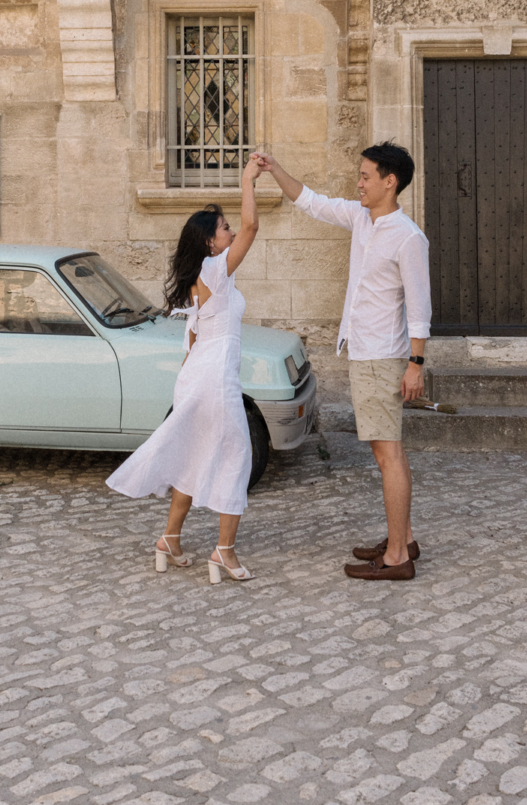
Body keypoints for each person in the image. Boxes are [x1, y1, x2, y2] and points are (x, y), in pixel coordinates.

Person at [254, 142, 431, 581]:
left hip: (383, 357)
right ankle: (402, 537)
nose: (359, 183)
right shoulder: (360, 217)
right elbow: (311, 201)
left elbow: (421, 307)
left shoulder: (408, 237)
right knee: (387, 448)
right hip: (364, 352)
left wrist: (415, 364)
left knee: (386, 452)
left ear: (390, 182)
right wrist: (275, 168)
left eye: (366, 176)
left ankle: (396, 558)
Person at [106, 153, 262, 582]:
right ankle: (224, 554)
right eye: (223, 228)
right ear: (211, 242)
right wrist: (247, 179)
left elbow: (190, 342)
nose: (230, 230)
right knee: (236, 457)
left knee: (192, 456)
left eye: (227, 224)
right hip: (215, 379)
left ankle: (169, 540)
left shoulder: (199, 280)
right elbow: (252, 227)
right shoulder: (216, 269)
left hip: (195, 376)